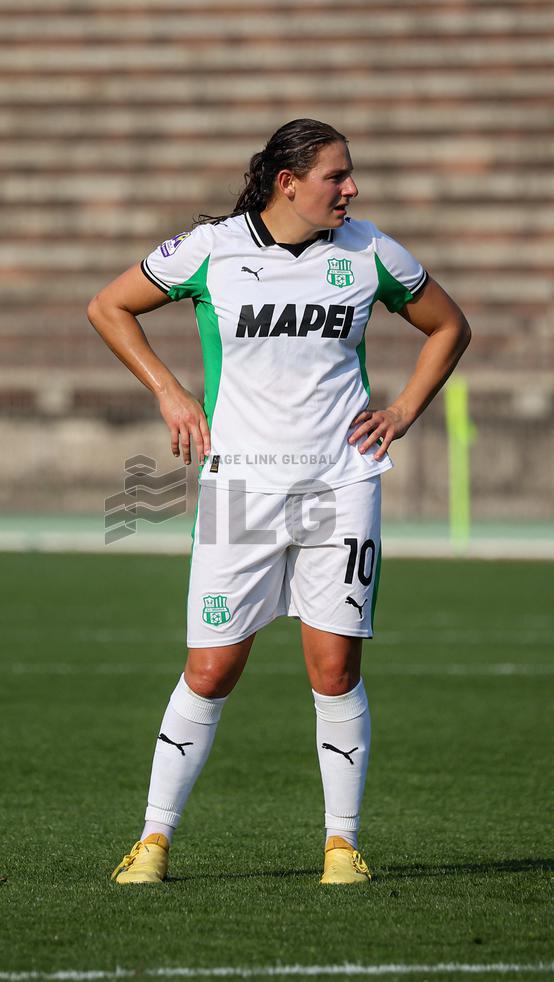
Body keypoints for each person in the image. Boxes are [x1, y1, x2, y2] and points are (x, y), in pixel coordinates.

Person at [87, 119, 471, 886]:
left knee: (335, 668)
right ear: (287, 183)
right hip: (240, 490)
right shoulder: (213, 249)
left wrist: (402, 412)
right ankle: (153, 841)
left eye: (350, 174)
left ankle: (341, 846)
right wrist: (169, 392)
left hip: (342, 484)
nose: (351, 188)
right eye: (337, 175)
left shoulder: (370, 251)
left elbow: (449, 326)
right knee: (210, 669)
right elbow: (109, 306)